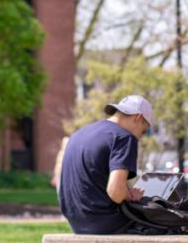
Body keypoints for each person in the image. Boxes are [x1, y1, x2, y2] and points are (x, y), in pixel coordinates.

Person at [59, 95, 155, 234]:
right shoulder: (124, 137)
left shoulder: (78, 134)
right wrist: (132, 196)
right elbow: (116, 192)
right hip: (107, 222)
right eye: (144, 131)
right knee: (173, 222)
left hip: (77, 221)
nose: (140, 137)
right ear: (138, 118)